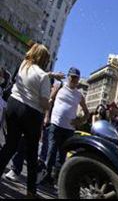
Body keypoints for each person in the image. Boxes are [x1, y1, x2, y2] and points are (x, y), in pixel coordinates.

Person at [0, 44, 52, 198]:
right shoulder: (44, 77)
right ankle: (30, 191)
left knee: (10, 145)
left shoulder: (23, 66)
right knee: (31, 153)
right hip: (31, 113)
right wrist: (50, 100)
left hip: (13, 105)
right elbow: (43, 103)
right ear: (44, 59)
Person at [39, 67, 89, 186]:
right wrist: (46, 117)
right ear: (68, 76)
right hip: (55, 124)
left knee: (62, 154)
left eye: (76, 78)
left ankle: (56, 179)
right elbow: (49, 101)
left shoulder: (79, 95)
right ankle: (46, 175)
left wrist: (80, 121)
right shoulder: (59, 86)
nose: (74, 80)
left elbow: (87, 113)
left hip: (69, 129)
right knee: (51, 151)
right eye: (72, 77)